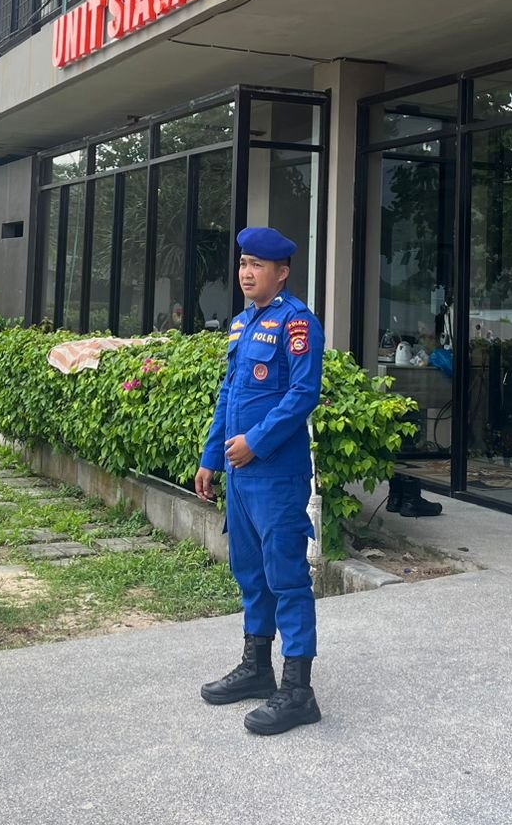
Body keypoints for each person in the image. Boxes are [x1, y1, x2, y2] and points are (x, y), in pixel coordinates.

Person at [195, 226, 325, 736]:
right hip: (240, 477)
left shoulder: (298, 324)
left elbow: (302, 394)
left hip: (275, 474)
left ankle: (298, 691)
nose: (247, 273)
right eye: (243, 263)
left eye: (257, 265)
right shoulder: (241, 325)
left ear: (282, 272)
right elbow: (230, 393)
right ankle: (256, 668)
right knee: (250, 573)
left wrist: (256, 443)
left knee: (286, 577)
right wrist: (213, 457)